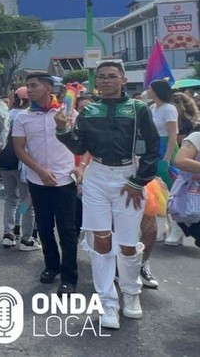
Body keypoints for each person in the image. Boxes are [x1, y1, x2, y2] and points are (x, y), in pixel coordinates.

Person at [55, 61, 159, 329]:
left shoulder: (139, 109)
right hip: (97, 177)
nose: (106, 81)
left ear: (123, 80)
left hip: (129, 177)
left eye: (112, 76)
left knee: (126, 243)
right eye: (101, 77)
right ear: (96, 82)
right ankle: (107, 303)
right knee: (100, 241)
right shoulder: (89, 111)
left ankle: (131, 294)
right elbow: (79, 145)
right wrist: (63, 129)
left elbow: (152, 149)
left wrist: (138, 181)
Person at [12, 73, 78, 295]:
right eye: (27, 86)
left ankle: (69, 277)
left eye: (34, 85)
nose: (29, 90)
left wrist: (81, 168)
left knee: (67, 230)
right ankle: (51, 266)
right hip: (37, 180)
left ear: (49, 87)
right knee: (44, 226)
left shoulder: (67, 114)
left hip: (66, 180)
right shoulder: (22, 118)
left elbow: (83, 146)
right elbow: (19, 148)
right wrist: (40, 171)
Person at [1, 87, 38, 252]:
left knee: (10, 199)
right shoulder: (28, 116)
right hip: (23, 164)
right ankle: (26, 238)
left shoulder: (6, 115)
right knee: (27, 202)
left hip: (4, 163)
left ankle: (9, 234)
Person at [149, 80, 183, 247]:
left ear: (157, 91)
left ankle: (177, 228)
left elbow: (172, 135)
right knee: (156, 189)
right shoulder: (152, 108)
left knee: (170, 188)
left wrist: (168, 157)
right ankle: (162, 227)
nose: (147, 91)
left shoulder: (169, 108)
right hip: (153, 147)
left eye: (150, 88)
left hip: (166, 147)